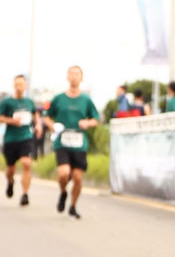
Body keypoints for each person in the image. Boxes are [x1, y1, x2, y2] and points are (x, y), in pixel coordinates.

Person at [44, 65, 101, 219]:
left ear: (81, 78)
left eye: (77, 74)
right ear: (67, 77)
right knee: (63, 174)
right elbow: (46, 116)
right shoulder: (59, 98)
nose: (74, 77)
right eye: (71, 74)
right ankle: (63, 192)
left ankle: (73, 206)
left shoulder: (86, 100)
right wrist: (52, 126)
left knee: (77, 178)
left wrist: (87, 123)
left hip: (79, 143)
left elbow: (96, 119)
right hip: (62, 142)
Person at [0, 74, 40, 206]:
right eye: (17, 84)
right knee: (10, 169)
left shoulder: (29, 102)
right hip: (11, 139)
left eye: (21, 84)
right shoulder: (7, 102)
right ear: (13, 85)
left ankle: (25, 194)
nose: (19, 87)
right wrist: (12, 121)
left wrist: (38, 125)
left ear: (25, 86)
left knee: (26, 163)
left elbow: (35, 114)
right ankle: (10, 181)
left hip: (26, 137)